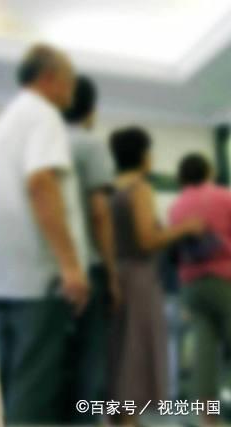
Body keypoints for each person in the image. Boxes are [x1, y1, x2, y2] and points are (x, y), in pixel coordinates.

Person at [0, 44, 88, 425]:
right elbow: (41, 183)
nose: (72, 89)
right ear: (49, 78)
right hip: (37, 279)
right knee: (34, 388)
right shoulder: (44, 116)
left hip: (3, 279)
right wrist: (70, 265)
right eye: (70, 80)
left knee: (6, 385)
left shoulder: (8, 121)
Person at [107, 128, 203, 423]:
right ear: (144, 155)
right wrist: (185, 228)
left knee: (121, 352)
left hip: (117, 273)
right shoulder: (139, 189)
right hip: (140, 278)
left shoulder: (109, 189)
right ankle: (130, 419)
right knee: (138, 353)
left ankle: (121, 417)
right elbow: (147, 240)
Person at [62, 75, 120, 423]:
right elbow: (100, 214)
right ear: (91, 110)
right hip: (87, 266)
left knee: (59, 365)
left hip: (47, 271)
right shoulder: (90, 146)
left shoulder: (42, 145)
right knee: (90, 362)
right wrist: (112, 274)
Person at [169, 153, 231, 423]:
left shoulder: (176, 206)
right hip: (224, 280)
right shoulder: (224, 197)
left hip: (191, 285)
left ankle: (209, 420)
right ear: (209, 171)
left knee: (204, 353)